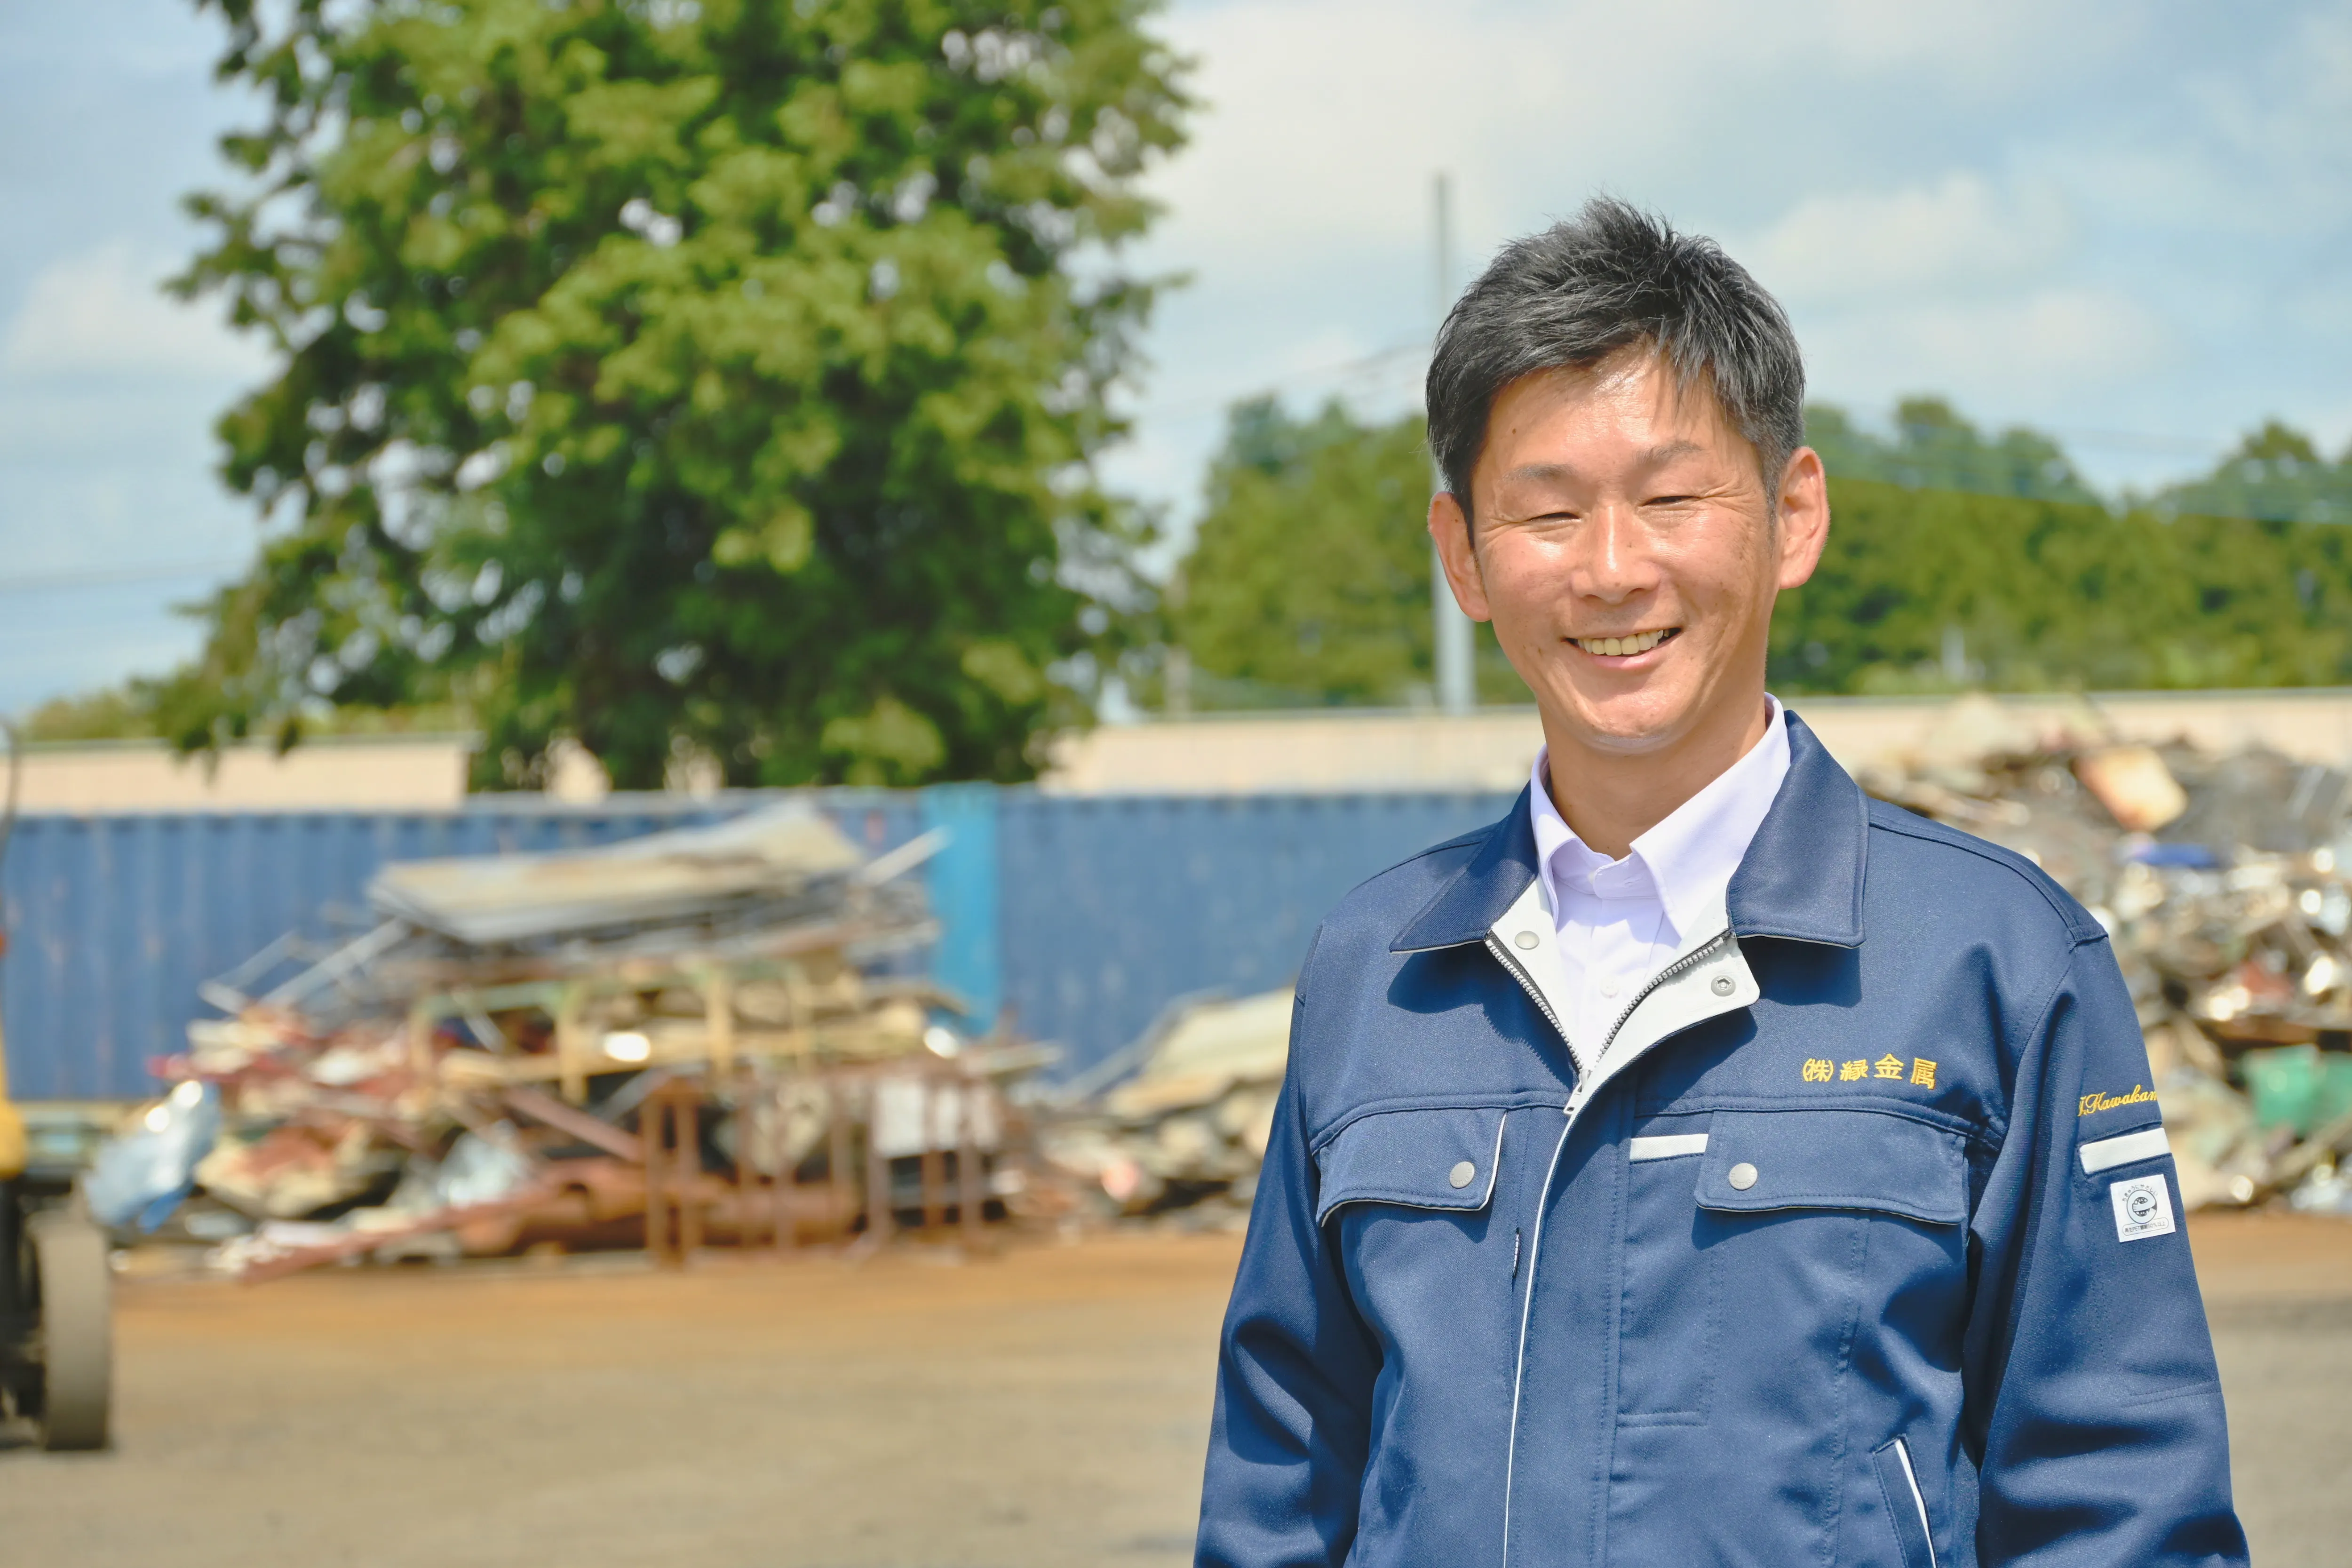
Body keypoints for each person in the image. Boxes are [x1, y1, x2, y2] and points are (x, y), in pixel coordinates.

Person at [1192, 199, 2246, 1568]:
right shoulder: (1380, 968)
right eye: (1548, 510)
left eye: (1673, 496)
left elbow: (2123, 1495)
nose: (1614, 568)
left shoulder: (1995, 960)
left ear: (1791, 515)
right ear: (1464, 554)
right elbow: (1284, 1475)